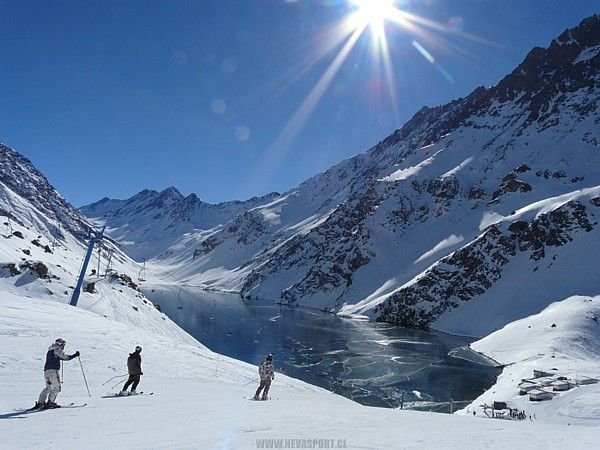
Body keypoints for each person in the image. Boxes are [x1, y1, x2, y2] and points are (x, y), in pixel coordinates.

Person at [35, 338, 80, 409]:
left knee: (48, 387)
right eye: (63, 344)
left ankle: (40, 402)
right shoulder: (57, 350)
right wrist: (75, 355)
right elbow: (65, 357)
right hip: (53, 372)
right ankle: (50, 403)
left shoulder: (50, 350)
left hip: (46, 371)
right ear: (59, 344)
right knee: (57, 388)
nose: (63, 346)